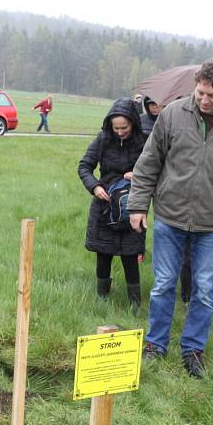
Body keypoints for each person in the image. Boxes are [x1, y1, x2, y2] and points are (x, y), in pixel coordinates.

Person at [128, 59, 213, 378]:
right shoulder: (173, 114)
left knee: (204, 288)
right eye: (200, 91)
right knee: (163, 283)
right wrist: (138, 205)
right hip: (169, 215)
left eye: (212, 95)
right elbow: (149, 162)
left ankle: (192, 349)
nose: (203, 100)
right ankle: (155, 344)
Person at [78, 97, 147, 308]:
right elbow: (84, 166)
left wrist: (138, 175)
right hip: (104, 205)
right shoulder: (103, 139)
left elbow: (158, 168)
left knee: (130, 255)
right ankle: (102, 300)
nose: (119, 132)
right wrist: (95, 187)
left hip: (132, 206)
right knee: (104, 253)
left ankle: (135, 304)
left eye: (123, 127)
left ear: (133, 122)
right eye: (115, 127)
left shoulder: (144, 141)